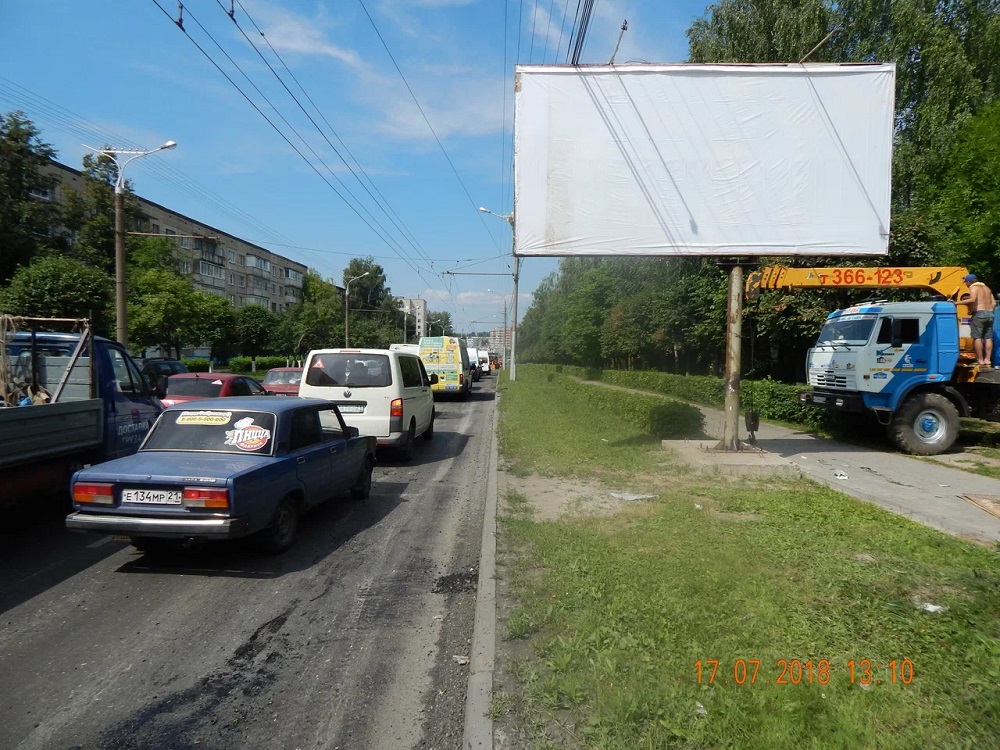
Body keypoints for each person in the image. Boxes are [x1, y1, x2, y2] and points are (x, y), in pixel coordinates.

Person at [958, 273, 995, 367]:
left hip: (979, 314)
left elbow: (972, 299)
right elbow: (994, 303)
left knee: (977, 337)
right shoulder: (987, 288)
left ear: (969, 281)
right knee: (988, 337)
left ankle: (980, 360)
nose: (965, 284)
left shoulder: (973, 287)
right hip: (990, 314)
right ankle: (988, 360)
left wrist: (956, 303)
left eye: (965, 282)